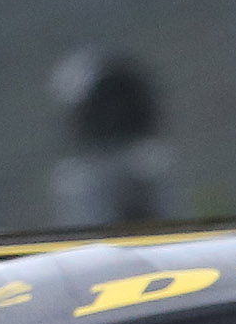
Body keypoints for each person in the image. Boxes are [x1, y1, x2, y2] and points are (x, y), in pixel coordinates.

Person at [48, 49, 172, 228]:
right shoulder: (77, 182)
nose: (113, 112)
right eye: (104, 104)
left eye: (118, 100)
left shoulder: (151, 166)